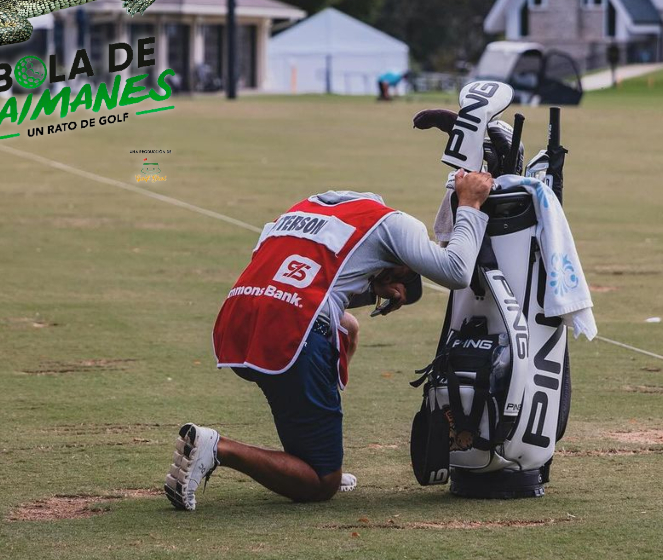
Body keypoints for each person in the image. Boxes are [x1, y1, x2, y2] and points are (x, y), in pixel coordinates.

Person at [164, 170, 494, 510]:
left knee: (346, 329)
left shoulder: (300, 210)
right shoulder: (394, 225)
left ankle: (318, 451)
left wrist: (369, 289)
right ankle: (218, 448)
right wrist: (469, 203)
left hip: (238, 324)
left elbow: (296, 281)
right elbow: (456, 271)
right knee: (321, 482)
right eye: (406, 274)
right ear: (402, 262)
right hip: (292, 336)